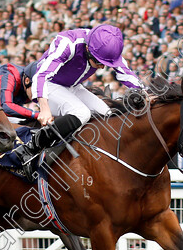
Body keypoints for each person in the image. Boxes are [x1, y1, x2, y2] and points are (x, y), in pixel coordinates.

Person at [12, 24, 141, 168]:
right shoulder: (68, 43)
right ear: (87, 49)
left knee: (107, 115)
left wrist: (143, 93)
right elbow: (41, 75)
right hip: (47, 84)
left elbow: (126, 73)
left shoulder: (106, 46)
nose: (102, 67)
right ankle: (30, 148)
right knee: (81, 113)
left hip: (72, 86)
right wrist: (45, 107)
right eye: (99, 62)